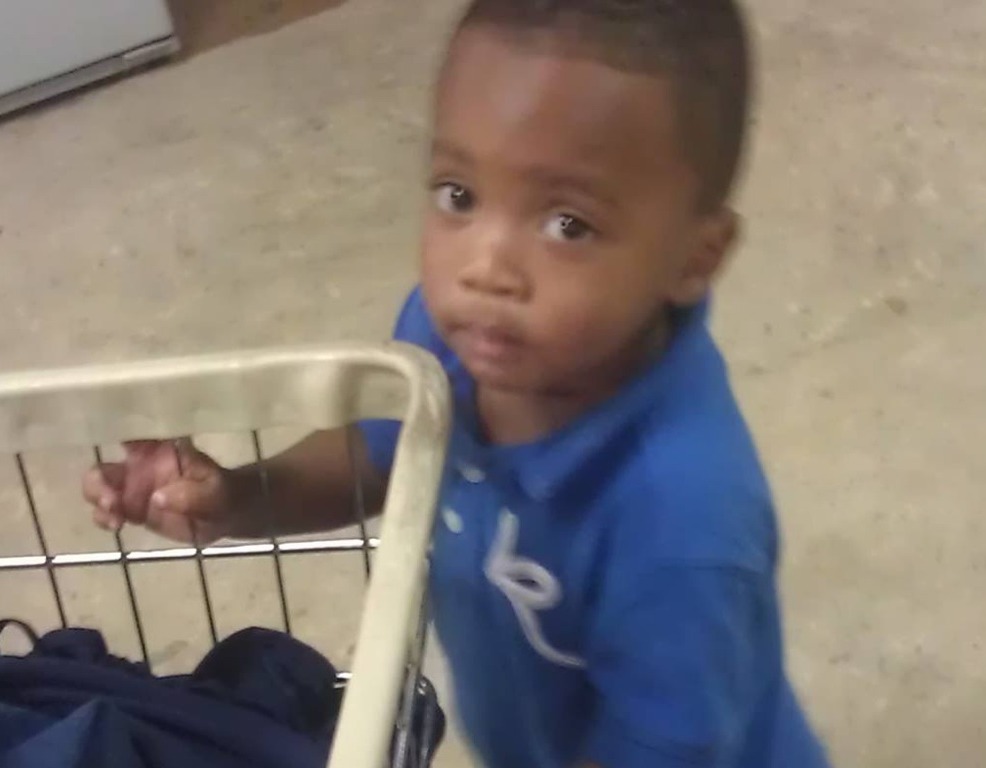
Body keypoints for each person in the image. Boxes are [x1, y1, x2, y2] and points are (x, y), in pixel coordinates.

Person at [83, 1, 830, 766]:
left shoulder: (683, 526)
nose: (484, 268)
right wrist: (235, 494)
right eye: (459, 196)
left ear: (696, 259)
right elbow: (378, 453)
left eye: (568, 224)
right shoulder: (455, 341)